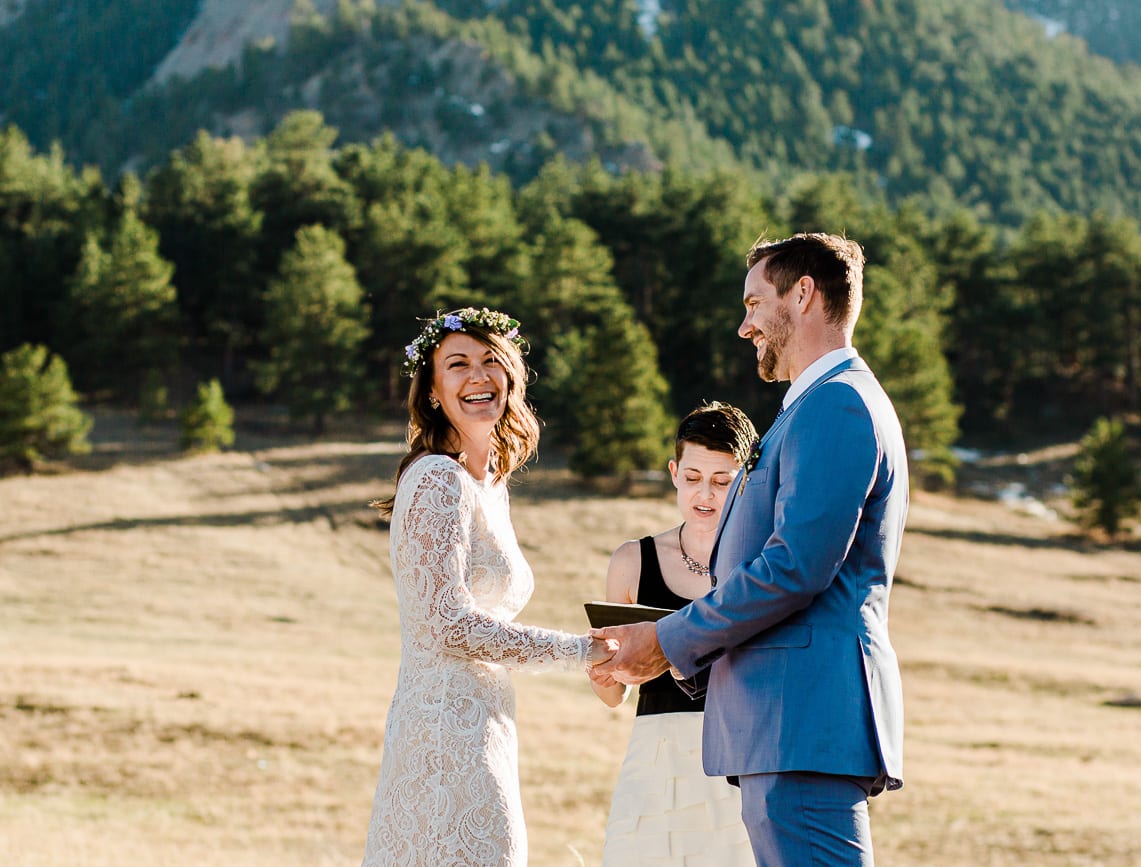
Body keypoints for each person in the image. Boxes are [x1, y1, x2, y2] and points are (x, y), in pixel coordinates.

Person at [590, 233, 909, 866]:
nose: (745, 326)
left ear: (803, 294)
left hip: (802, 718)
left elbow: (794, 568)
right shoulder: (814, 407)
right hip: (782, 723)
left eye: (754, 303)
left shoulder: (837, 405)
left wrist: (667, 639)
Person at [361, 307, 614, 867]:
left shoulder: (487, 483)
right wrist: (580, 650)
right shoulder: (438, 479)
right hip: (444, 734)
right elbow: (446, 623)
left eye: (491, 361)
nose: (478, 376)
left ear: (512, 377)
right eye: (457, 365)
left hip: (484, 722)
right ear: (431, 389)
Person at [592, 402, 759, 867]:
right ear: (673, 471)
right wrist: (604, 673)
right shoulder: (632, 560)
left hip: (741, 759)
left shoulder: (765, 567)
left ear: (746, 479)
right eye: (692, 478)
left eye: (722, 481)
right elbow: (612, 697)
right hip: (656, 761)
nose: (704, 494)